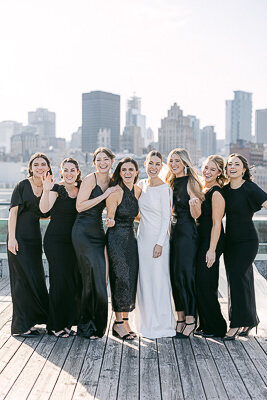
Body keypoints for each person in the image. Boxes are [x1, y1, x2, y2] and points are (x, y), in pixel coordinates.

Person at [72, 148, 118, 339]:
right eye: (98, 159)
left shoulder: (113, 181)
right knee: (89, 280)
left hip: (98, 232)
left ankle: (97, 326)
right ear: (94, 162)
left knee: (100, 279)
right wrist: (104, 194)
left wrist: (111, 219)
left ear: (111, 161)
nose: (102, 163)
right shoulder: (91, 179)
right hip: (82, 231)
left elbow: (111, 206)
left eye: (105, 159)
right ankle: (85, 326)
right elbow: (80, 206)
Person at [222, 154, 267, 340]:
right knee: (240, 280)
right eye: (229, 164)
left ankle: (237, 323)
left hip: (247, 242)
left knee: (239, 277)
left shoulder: (249, 188)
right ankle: (250, 320)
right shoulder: (224, 190)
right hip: (230, 242)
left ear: (243, 169)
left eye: (237, 164)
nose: (232, 167)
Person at [7, 153, 51, 337]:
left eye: (43, 164)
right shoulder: (22, 186)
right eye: (36, 164)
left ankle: (30, 321)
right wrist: (11, 238)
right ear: (30, 167)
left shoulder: (48, 187)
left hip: (34, 239)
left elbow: (45, 213)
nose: (39, 167)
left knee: (34, 278)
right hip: (18, 238)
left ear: (48, 167)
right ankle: (20, 326)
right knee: (21, 281)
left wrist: (48, 190)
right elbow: (13, 213)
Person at [135, 151, 176, 339]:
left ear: (161, 167)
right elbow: (135, 212)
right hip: (142, 240)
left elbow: (166, 218)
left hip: (158, 242)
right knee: (144, 281)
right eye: (150, 163)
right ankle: (145, 324)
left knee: (159, 281)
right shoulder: (140, 185)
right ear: (145, 164)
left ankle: (161, 325)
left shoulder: (165, 189)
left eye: (157, 164)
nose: (153, 167)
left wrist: (160, 243)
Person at [40, 158, 81, 338]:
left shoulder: (80, 191)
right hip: (55, 241)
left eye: (73, 170)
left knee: (70, 283)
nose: (70, 173)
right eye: (66, 170)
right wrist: (46, 190)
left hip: (73, 243)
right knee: (58, 281)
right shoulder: (56, 189)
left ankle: (66, 323)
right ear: (61, 172)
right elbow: (44, 209)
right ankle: (54, 325)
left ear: (78, 172)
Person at [166, 148, 204, 338]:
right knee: (174, 276)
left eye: (177, 161)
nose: (174, 164)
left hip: (187, 233)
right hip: (173, 232)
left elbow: (198, 216)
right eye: (171, 161)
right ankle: (180, 319)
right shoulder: (170, 182)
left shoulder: (191, 182)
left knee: (185, 275)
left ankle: (191, 320)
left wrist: (194, 205)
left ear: (185, 163)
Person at [105, 157, 141, 340]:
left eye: (131, 169)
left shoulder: (138, 190)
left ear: (136, 172)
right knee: (120, 278)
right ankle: (118, 323)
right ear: (119, 173)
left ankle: (126, 321)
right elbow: (110, 218)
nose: (127, 173)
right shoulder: (115, 192)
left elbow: (139, 216)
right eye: (124, 170)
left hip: (131, 239)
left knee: (130, 278)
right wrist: (110, 221)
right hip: (116, 239)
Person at [195, 155, 227, 338]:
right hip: (201, 240)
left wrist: (212, 250)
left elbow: (217, 224)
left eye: (212, 169)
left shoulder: (216, 193)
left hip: (211, 241)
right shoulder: (203, 188)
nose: (207, 172)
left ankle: (217, 327)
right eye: (206, 167)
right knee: (200, 282)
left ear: (219, 173)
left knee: (207, 283)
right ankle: (204, 324)